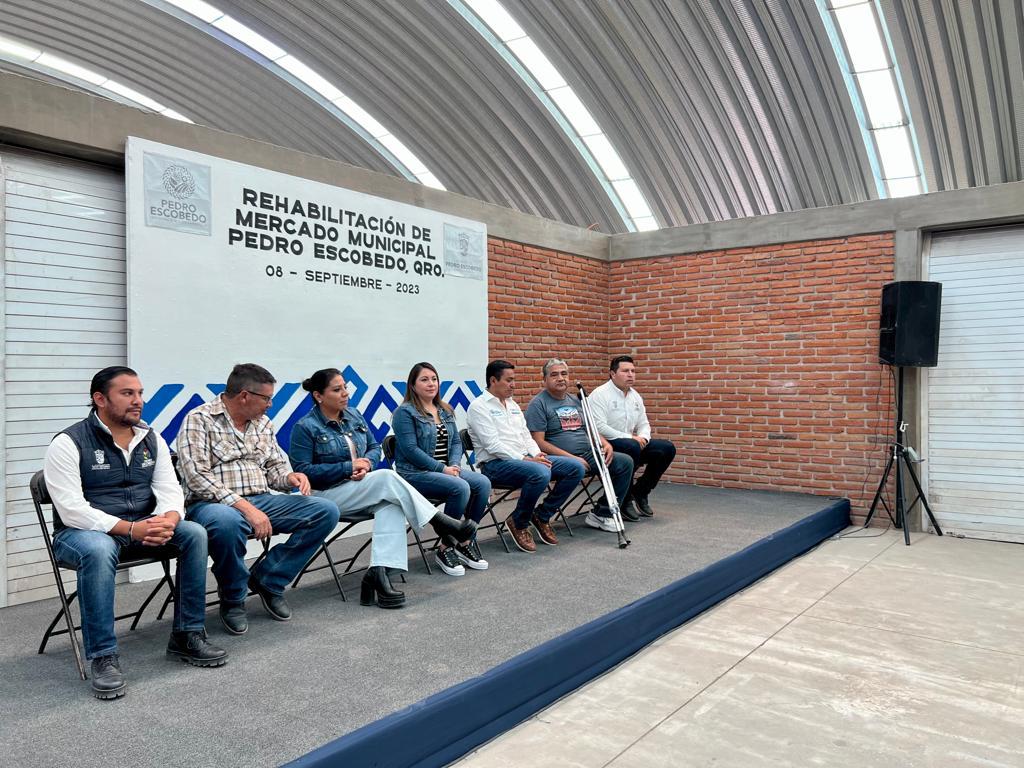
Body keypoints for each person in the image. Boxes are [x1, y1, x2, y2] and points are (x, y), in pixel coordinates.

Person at [43, 366, 227, 699]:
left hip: (141, 527)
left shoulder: (150, 438)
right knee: (98, 549)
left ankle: (187, 635)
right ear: (100, 399)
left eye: (140, 393)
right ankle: (103, 656)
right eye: (127, 393)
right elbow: (72, 510)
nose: (138, 400)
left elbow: (170, 490)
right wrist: (130, 529)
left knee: (194, 533)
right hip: (81, 534)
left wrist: (168, 520)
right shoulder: (68, 442)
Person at [288, 368, 477, 607]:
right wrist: (347, 467)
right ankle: (439, 521)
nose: (345, 393)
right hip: (328, 496)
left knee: (391, 505)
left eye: (345, 387)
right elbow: (304, 470)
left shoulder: (354, 415)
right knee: (387, 477)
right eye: (337, 390)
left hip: (362, 488)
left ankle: (378, 576)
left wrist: (366, 464)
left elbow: (374, 447)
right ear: (318, 396)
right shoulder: (305, 427)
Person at [176, 363, 339, 635]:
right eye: (266, 398)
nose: (270, 405)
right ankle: (233, 597)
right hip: (212, 505)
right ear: (244, 396)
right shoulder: (199, 419)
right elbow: (196, 476)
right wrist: (244, 508)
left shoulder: (263, 423)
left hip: (261, 500)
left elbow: (274, 468)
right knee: (227, 522)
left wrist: (290, 477)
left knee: (325, 511)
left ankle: (269, 579)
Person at [467, 360, 584, 552]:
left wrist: (537, 454)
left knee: (575, 468)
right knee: (540, 472)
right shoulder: (479, 407)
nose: (513, 385)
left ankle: (542, 515)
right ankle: (519, 522)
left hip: (526, 461)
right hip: (495, 465)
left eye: (514, 380)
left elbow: (526, 436)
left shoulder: (512, 404)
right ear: (493, 380)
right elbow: (493, 445)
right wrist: (527, 460)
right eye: (509, 380)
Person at [391, 362, 491, 576]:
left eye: (434, 379)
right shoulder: (404, 413)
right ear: (412, 385)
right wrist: (441, 468)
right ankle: (446, 547)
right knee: (460, 487)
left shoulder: (444, 410)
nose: (431, 383)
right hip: (415, 473)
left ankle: (465, 541)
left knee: (482, 483)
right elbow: (410, 450)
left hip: (446, 470)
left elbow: (456, 442)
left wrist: (453, 464)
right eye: (424, 380)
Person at [525, 358, 634, 532]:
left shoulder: (576, 400)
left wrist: (605, 444)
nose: (560, 378)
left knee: (624, 462)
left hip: (587, 453)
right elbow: (538, 441)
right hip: (558, 458)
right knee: (576, 468)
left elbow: (590, 428)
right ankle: (542, 513)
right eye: (554, 375)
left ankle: (602, 513)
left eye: (564, 374)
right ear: (544, 379)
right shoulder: (538, 404)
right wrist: (572, 458)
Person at [589, 355, 677, 517]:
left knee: (666, 448)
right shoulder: (600, 394)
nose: (630, 374)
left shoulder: (635, 396)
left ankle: (641, 491)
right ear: (612, 374)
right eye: (625, 371)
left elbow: (644, 423)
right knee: (632, 445)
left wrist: (644, 437)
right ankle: (625, 498)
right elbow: (598, 426)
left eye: (633, 371)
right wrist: (630, 437)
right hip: (606, 445)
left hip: (632, 445)